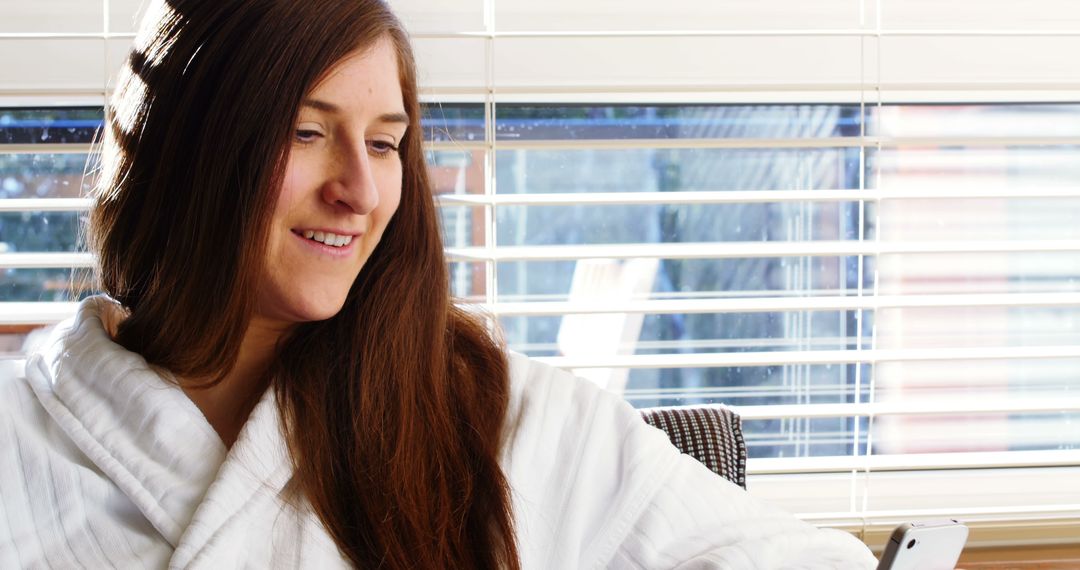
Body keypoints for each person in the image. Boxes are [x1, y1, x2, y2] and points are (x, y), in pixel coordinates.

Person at [0, 1, 878, 568]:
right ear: (190, 153)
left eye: (384, 143)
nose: (361, 189)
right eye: (308, 133)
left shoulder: (493, 411)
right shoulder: (21, 440)